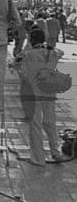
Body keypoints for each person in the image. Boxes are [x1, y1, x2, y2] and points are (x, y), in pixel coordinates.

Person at [14, 29, 70, 165]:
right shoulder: (52, 53)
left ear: (31, 41)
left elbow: (16, 62)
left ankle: (38, 158)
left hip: (33, 93)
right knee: (50, 123)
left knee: (35, 125)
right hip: (49, 92)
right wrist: (50, 48)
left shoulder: (28, 54)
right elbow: (61, 52)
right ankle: (55, 152)